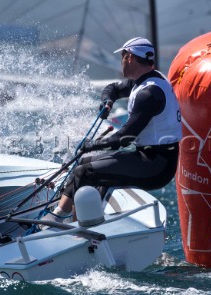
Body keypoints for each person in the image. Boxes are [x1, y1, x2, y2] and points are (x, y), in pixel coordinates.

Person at [44, 37, 182, 224]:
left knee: (86, 172)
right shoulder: (144, 81)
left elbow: (125, 138)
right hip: (147, 157)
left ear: (130, 58)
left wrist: (93, 144)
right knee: (84, 163)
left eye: (122, 57)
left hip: (157, 166)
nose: (121, 62)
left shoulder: (149, 94)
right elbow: (113, 89)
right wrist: (107, 102)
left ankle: (68, 224)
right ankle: (67, 217)